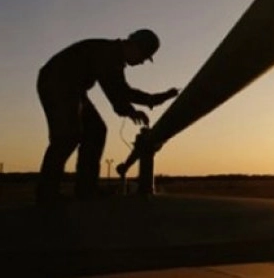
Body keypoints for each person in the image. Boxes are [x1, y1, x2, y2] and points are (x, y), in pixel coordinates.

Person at [36, 29, 178, 204]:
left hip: (71, 88)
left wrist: (155, 99)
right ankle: (47, 193)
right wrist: (135, 108)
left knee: (96, 130)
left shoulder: (113, 56)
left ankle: (86, 188)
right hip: (56, 83)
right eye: (143, 56)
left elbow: (121, 91)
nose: (142, 62)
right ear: (134, 46)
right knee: (67, 136)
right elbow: (116, 93)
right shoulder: (108, 54)